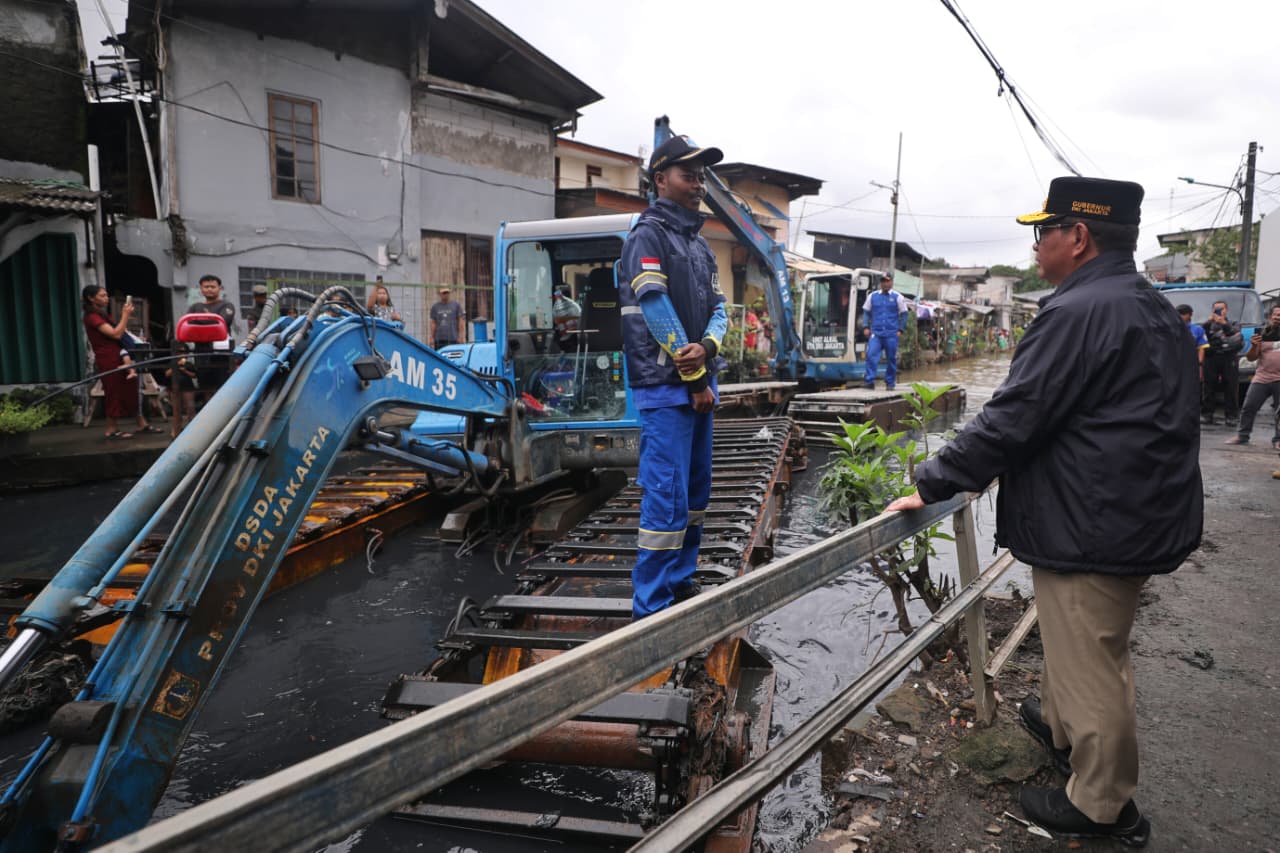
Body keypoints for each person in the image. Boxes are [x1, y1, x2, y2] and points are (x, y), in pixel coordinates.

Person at [886, 177, 1202, 847]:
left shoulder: (1077, 311)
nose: (1035, 247)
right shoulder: (1144, 303)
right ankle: (1061, 724)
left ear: (1078, 236)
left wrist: (935, 480)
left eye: (1044, 231)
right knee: (1082, 641)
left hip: (1095, 521)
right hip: (1127, 510)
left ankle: (1103, 806)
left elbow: (1013, 416)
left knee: (1093, 656)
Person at [617, 135, 728, 620]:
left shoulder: (700, 245)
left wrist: (709, 346)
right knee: (666, 497)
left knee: (696, 494)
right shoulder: (649, 235)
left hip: (700, 381)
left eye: (702, 175)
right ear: (661, 179)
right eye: (689, 174)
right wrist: (697, 376)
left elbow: (721, 309)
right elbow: (656, 310)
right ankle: (652, 609)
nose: (698, 183)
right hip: (667, 390)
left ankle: (680, 583)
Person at [81, 286, 160, 438]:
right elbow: (116, 334)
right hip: (108, 358)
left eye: (106, 295)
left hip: (120, 354)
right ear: (91, 298)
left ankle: (141, 424)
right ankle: (111, 429)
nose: (106, 298)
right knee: (114, 391)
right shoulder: (92, 317)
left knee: (131, 389)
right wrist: (125, 315)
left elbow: (121, 332)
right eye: (102, 296)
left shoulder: (102, 314)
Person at [1226, 305, 1280, 450]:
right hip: (1262, 377)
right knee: (1248, 407)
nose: (1277, 317)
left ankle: (1278, 440)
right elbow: (1251, 358)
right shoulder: (1263, 333)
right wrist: (1254, 345)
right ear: (1270, 317)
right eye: (1275, 315)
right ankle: (1242, 436)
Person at [187, 274, 237, 395]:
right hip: (201, 352)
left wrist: (199, 322)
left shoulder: (226, 305)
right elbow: (189, 324)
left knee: (223, 387)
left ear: (219, 288)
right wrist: (211, 321)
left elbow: (222, 322)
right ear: (201, 288)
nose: (209, 289)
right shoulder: (195, 307)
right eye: (206, 286)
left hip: (221, 354)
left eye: (213, 286)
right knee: (205, 386)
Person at [862, 270, 909, 390]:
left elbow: (904, 314)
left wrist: (901, 330)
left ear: (891, 282)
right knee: (871, 355)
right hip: (876, 333)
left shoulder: (898, 297)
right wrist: (865, 326)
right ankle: (869, 381)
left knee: (891, 358)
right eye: (883, 281)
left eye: (887, 281)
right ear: (880, 283)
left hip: (891, 334)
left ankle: (890, 382)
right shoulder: (872, 296)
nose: (885, 284)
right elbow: (866, 312)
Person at [1201, 299, 1243, 425]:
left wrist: (1223, 323)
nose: (1220, 311)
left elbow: (1234, 335)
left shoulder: (1234, 323)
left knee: (1231, 387)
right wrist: (1209, 322)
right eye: (1217, 309)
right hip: (1211, 357)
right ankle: (1207, 414)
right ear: (1212, 310)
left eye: (1222, 308)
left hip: (1229, 357)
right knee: (1208, 387)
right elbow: (1202, 335)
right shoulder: (1208, 324)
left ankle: (1231, 416)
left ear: (1226, 310)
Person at [165, 342, 199, 437]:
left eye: (184, 352)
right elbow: (167, 374)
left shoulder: (188, 364)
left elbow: (194, 375)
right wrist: (177, 365)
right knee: (176, 410)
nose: (182, 354)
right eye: (179, 352)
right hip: (174, 388)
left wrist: (185, 371)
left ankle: (193, 430)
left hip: (187, 387)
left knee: (191, 409)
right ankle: (176, 430)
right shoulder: (171, 362)